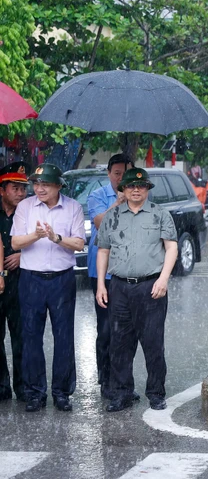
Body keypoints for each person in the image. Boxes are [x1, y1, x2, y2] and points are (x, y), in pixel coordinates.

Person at [96, 168, 178, 413]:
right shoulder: (113, 217)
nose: (135, 190)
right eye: (130, 186)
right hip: (119, 286)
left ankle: (155, 393)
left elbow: (171, 248)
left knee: (153, 343)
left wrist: (163, 279)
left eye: (140, 186)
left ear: (147, 189)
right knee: (119, 344)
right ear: (123, 189)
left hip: (150, 286)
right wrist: (101, 283)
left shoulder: (160, 214)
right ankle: (121, 393)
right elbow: (103, 250)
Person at [10, 164, 85, 412]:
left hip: (62, 279)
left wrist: (56, 238)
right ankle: (35, 393)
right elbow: (15, 241)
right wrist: (37, 235)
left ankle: (62, 392)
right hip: (31, 279)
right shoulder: (25, 207)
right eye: (37, 184)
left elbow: (79, 244)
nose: (39, 189)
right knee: (31, 337)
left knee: (64, 337)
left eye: (46, 184)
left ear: (58, 186)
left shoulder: (73, 207)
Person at [86, 153, 135, 399]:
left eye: (124, 174)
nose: (120, 178)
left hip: (129, 273)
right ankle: (106, 380)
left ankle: (123, 383)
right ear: (108, 174)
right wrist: (118, 203)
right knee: (106, 330)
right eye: (116, 174)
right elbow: (99, 224)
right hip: (103, 274)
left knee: (127, 331)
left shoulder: (137, 198)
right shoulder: (97, 196)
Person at [0, 162, 30, 401]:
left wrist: (23, 255)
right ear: (2, 190)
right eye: (15, 188)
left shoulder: (30, 212)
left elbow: (42, 241)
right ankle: (2, 386)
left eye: (23, 188)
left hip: (21, 283)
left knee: (22, 337)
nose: (21, 193)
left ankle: (23, 386)